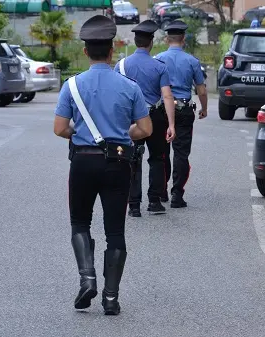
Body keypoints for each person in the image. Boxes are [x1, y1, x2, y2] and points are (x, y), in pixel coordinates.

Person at [53, 15, 153, 316]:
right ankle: (111, 298)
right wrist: (123, 135)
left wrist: (80, 135)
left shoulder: (71, 86)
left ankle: (87, 278)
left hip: (82, 161)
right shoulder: (129, 87)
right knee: (116, 231)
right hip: (117, 164)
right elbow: (145, 129)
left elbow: (59, 128)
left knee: (80, 223)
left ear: (86, 52)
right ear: (112, 51)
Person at [114, 19, 176, 217]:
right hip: (155, 117)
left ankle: (133, 205)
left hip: (131, 118)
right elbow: (167, 96)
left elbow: (116, 95)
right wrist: (171, 124)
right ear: (151, 43)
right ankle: (154, 202)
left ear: (135, 42)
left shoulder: (121, 65)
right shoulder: (160, 67)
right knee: (157, 158)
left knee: (132, 159)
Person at [155, 20, 208, 208]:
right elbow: (201, 90)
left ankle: (161, 191)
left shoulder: (158, 59)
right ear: (183, 39)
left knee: (161, 152)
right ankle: (177, 194)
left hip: (161, 109)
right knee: (181, 154)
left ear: (167, 39)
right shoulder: (192, 61)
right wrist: (204, 109)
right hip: (184, 110)